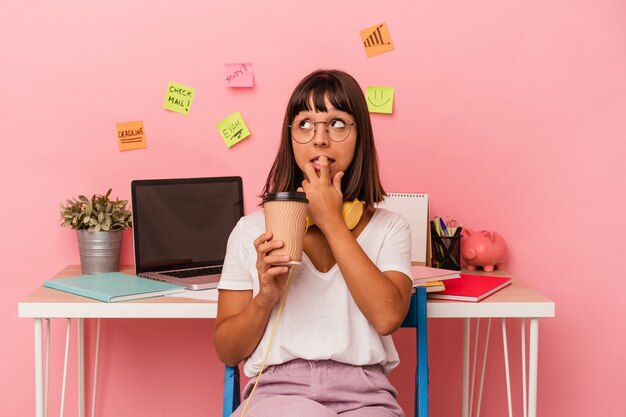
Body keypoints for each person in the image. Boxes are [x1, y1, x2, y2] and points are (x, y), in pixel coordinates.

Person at [214, 69, 413, 417]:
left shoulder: (390, 228)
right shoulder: (250, 230)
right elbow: (228, 351)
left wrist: (331, 220)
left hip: (367, 396)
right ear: (290, 138)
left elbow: (387, 318)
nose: (320, 139)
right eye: (305, 123)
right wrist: (265, 298)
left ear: (360, 136)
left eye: (337, 123)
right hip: (277, 394)